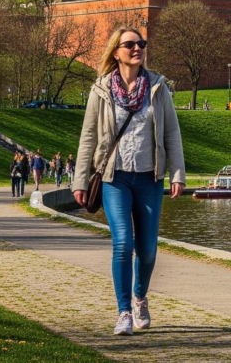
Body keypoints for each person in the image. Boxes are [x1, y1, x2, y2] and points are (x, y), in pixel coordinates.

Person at [73, 26, 186, 337]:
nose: (137, 48)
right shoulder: (101, 90)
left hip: (150, 178)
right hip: (115, 178)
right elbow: (88, 137)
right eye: (130, 44)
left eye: (141, 43)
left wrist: (177, 173)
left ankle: (139, 297)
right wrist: (79, 181)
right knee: (123, 243)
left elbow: (172, 134)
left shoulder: (158, 87)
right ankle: (123, 310)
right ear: (116, 51)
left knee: (148, 250)